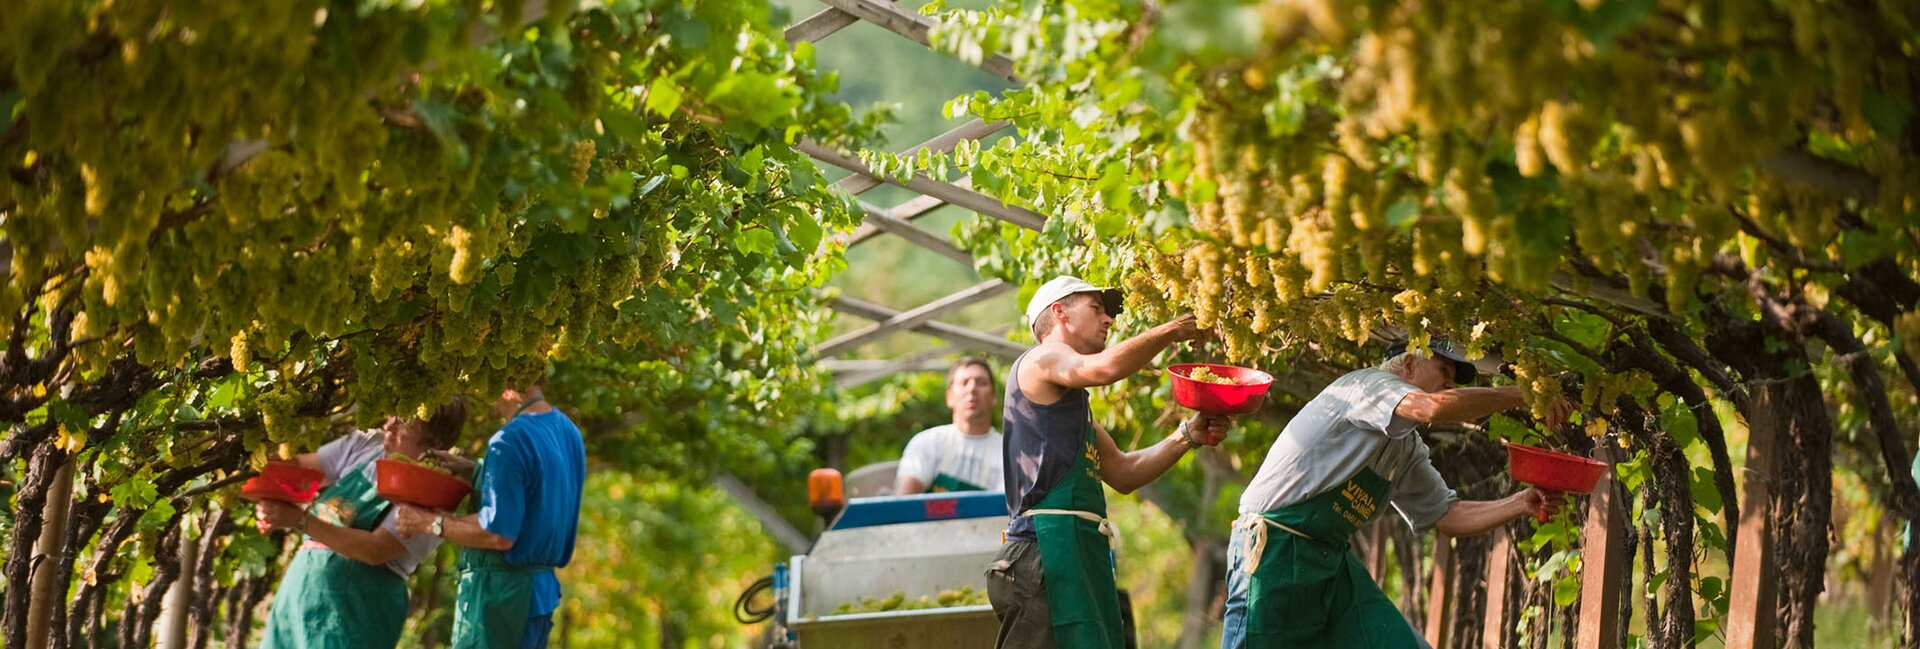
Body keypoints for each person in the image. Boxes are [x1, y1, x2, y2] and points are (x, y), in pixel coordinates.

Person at [1221, 341, 1576, 649]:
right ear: (1408, 364)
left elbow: (1447, 516)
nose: (1449, 386)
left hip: (1329, 563)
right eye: (1443, 372)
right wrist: (1524, 393)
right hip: (1274, 551)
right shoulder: (1368, 385)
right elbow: (1431, 407)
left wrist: (1520, 502)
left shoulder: (1406, 447)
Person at [988, 275, 1234, 649]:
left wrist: (1187, 435)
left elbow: (1124, 473)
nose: (1109, 320)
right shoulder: (1041, 358)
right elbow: (1103, 369)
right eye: (1096, 308)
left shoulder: (1074, 409)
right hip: (1043, 555)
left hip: (1075, 556)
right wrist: (1170, 331)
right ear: (1060, 313)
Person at [258, 399, 469, 649]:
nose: (388, 425)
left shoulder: (434, 490)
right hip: (300, 595)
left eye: (402, 424)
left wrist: (298, 519)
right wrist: (256, 458)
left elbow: (376, 550)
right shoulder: (368, 444)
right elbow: (297, 470)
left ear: (434, 442)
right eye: (392, 415)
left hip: (355, 612)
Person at [395, 378, 586, 649]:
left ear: (506, 378)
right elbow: (533, 489)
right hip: (537, 595)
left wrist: (428, 522)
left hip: (499, 600)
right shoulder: (567, 430)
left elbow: (496, 533)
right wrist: (476, 471)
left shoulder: (510, 440)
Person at [895, 357, 1004, 494]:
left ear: (994, 397)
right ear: (949, 397)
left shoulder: (1008, 454)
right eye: (964, 383)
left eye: (981, 383)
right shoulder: (926, 443)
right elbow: (904, 504)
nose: (972, 389)